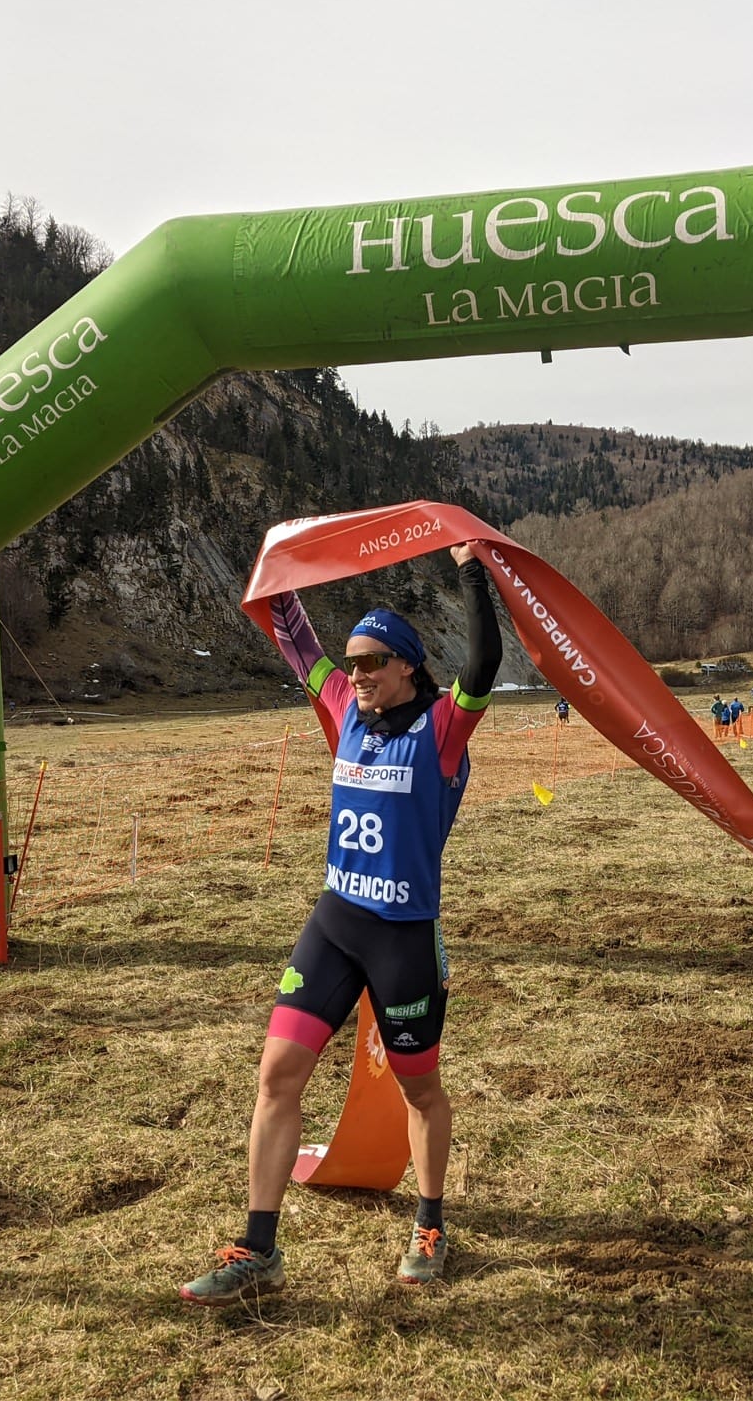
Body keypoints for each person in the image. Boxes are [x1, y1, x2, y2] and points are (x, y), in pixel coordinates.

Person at [179, 543, 501, 1306]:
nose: (354, 674)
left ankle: (429, 1223)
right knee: (276, 1074)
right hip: (334, 922)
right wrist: (279, 569)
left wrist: (470, 569)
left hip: (402, 936)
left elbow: (485, 661)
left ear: (409, 670)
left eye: (372, 662)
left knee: (422, 1092)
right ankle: (258, 1249)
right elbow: (294, 639)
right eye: (351, 662)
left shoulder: (443, 730)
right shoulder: (341, 711)